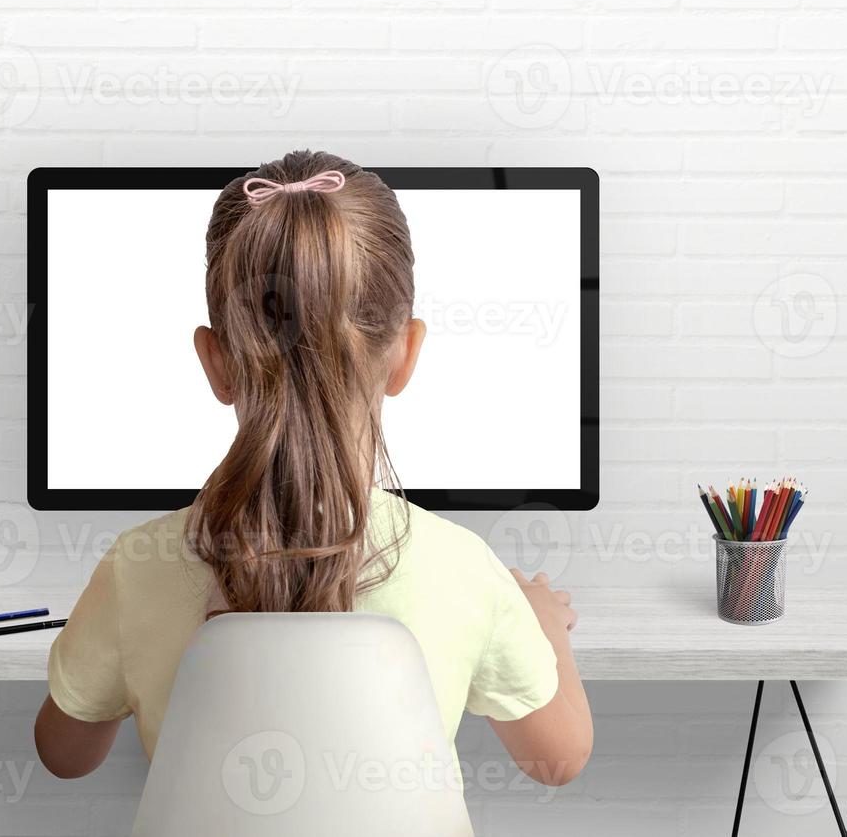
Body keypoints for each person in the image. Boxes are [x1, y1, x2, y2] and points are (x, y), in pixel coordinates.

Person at [33, 151, 593, 788]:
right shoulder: (464, 568)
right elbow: (560, 759)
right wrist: (545, 626)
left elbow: (64, 755)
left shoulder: (136, 566)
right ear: (406, 353)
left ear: (215, 361)